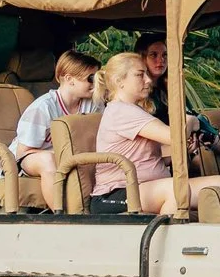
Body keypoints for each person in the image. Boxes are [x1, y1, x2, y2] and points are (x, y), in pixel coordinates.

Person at [91, 51, 185, 215]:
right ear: (119, 81)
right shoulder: (121, 111)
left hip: (148, 186)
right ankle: (163, 237)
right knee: (176, 190)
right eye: (140, 75)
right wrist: (191, 122)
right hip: (118, 193)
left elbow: (148, 153)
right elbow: (175, 138)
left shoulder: (135, 110)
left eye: (147, 75)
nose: (148, 80)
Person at [10, 50, 102, 184]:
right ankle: (59, 206)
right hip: (26, 160)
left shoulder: (94, 105)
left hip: (69, 159)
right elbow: (22, 152)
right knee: (49, 161)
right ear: (70, 79)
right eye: (91, 78)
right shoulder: (43, 107)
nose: (95, 84)